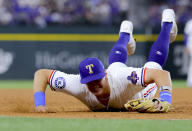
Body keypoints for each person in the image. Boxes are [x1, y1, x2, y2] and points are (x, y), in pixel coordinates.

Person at [33, 9, 177, 112]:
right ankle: (125, 33)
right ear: (83, 81)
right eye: (89, 81)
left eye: (97, 79)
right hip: (115, 72)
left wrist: (164, 100)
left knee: (154, 66)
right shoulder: (78, 85)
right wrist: (40, 105)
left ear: (105, 75)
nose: (94, 84)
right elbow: (42, 74)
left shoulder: (123, 78)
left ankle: (167, 24)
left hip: (139, 92)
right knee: (116, 63)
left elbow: (162, 76)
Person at [184, 10, 192, 88]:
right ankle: (191, 81)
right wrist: (186, 45)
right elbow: (186, 35)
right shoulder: (190, 22)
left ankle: (191, 81)